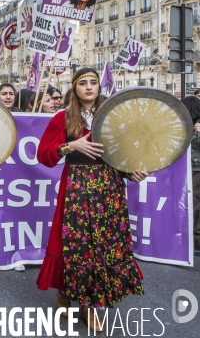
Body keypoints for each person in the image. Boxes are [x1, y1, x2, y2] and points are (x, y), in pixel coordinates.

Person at [36, 68, 147, 332]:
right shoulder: (62, 118)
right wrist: (71, 146)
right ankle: (64, 293)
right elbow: (44, 155)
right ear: (74, 89)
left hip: (108, 187)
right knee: (76, 245)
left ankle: (90, 305)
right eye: (82, 83)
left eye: (93, 83)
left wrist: (132, 173)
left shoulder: (112, 117)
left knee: (102, 246)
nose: (88, 87)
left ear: (99, 86)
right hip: (76, 186)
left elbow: (120, 156)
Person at [182, 96, 200, 256]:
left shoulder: (196, 127)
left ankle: (196, 238)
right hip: (191, 168)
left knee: (194, 202)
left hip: (195, 168)